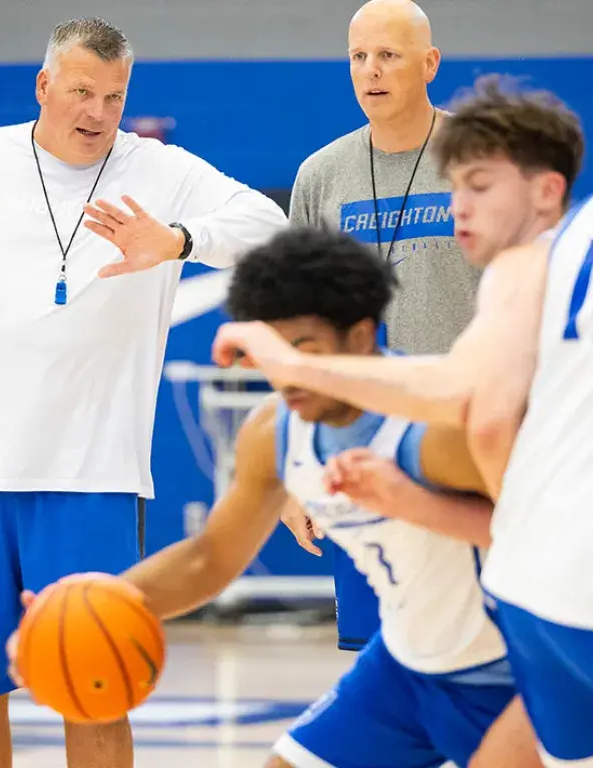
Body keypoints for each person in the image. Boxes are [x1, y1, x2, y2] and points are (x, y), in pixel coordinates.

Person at [0, 16, 287, 768]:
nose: (97, 114)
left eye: (114, 97)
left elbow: (271, 226)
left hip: (92, 481)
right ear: (44, 85)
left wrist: (177, 240)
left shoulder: (158, 168)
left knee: (96, 691)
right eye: (81, 92)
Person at [9, 228, 540, 768]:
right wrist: (72, 615)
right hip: (403, 669)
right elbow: (208, 559)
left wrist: (412, 501)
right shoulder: (274, 431)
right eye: (272, 351)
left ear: (360, 338)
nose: (287, 375)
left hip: (507, 674)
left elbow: (551, 535)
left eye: (303, 351)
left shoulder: (435, 428)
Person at [211, 78, 589, 765]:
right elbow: (486, 432)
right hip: (542, 591)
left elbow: (464, 399)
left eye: (479, 185)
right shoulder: (524, 269)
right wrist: (410, 499)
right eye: (456, 186)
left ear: (545, 191)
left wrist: (288, 364)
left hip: (542, 601)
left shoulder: (532, 266)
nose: (457, 207)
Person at [286, 0, 482, 648]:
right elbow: (299, 330)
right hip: (358, 450)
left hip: (470, 446)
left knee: (483, 661)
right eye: (358, 56)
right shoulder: (321, 175)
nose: (370, 71)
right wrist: (294, 471)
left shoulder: (481, 161)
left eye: (389, 56)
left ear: (429, 64)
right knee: (376, 664)